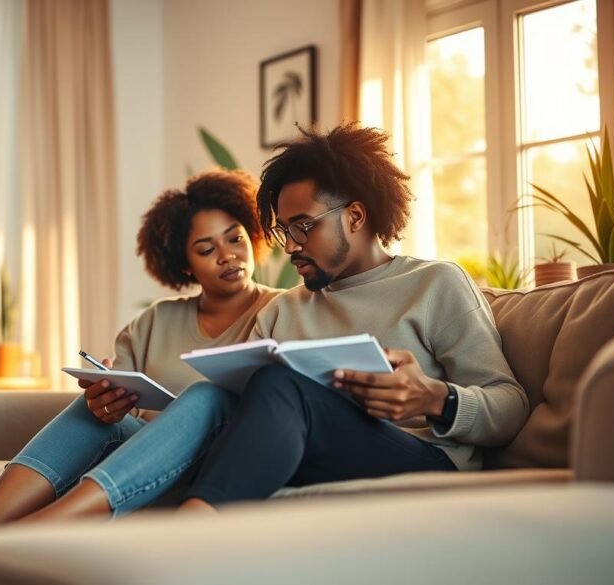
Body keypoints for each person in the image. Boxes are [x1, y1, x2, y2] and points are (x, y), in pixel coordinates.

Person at [175, 124, 529, 510]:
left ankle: (192, 524)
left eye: (303, 227)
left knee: (282, 384)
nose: (291, 245)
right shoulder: (281, 311)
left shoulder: (434, 284)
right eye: (284, 230)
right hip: (308, 457)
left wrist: (433, 398)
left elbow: (510, 406)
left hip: (424, 464)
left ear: (355, 216)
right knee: (218, 399)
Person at [0, 169, 281, 534]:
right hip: (139, 464)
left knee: (205, 396)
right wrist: (103, 399)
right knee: (90, 413)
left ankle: (26, 535)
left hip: (220, 461)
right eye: (206, 249)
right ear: (184, 263)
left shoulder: (282, 310)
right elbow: (114, 412)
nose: (228, 256)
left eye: (235, 239)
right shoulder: (156, 320)